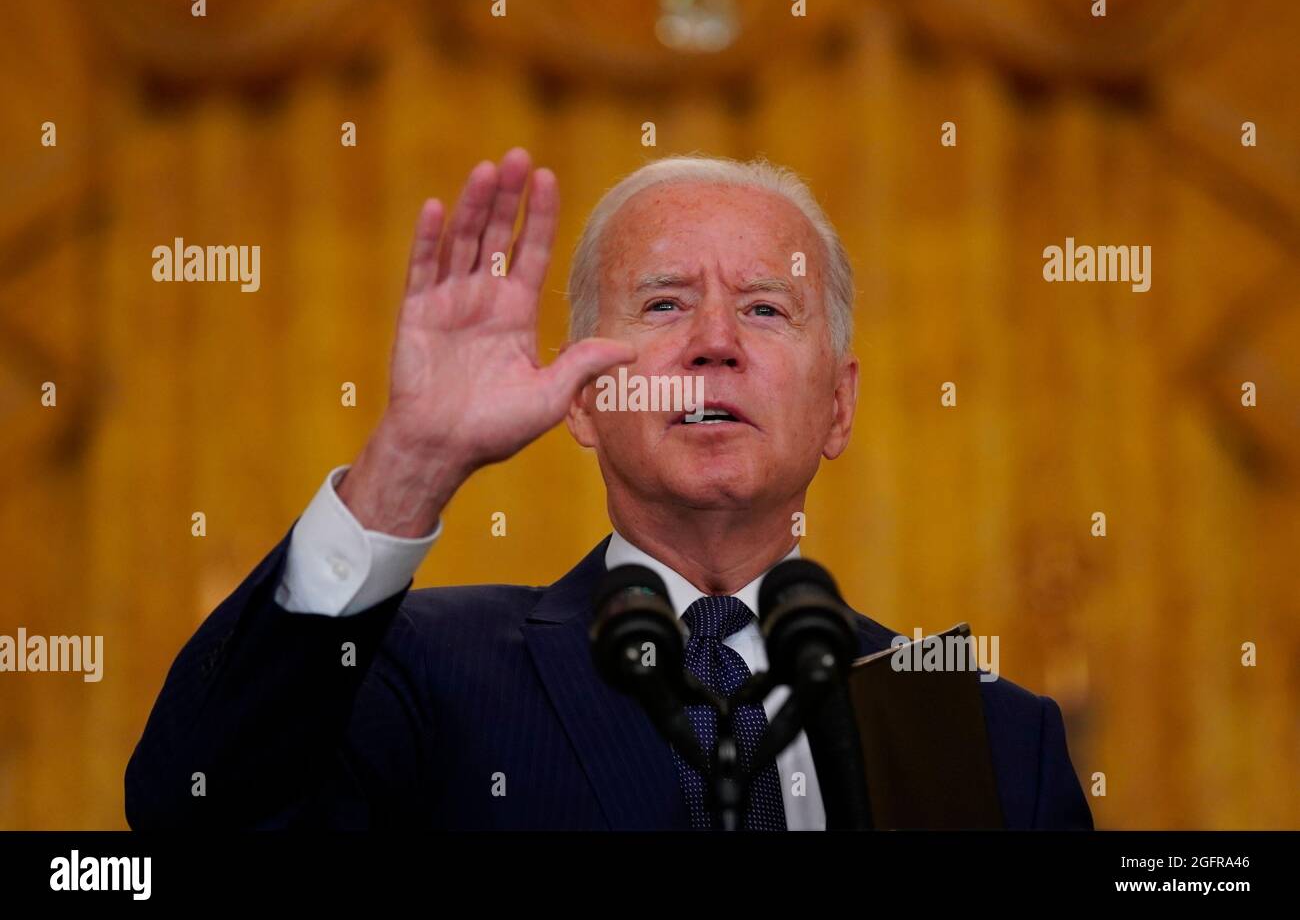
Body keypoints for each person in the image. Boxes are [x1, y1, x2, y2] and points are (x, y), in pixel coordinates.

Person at [125, 148, 1093, 830]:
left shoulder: (991, 734)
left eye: (765, 307)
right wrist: (409, 462)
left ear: (837, 406)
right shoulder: (418, 669)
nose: (715, 341)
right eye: (665, 302)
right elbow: (194, 805)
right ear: (586, 396)